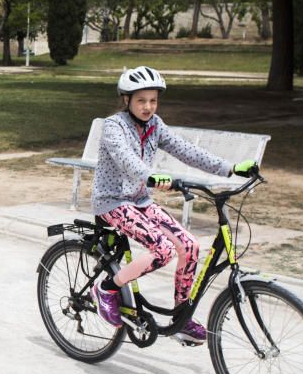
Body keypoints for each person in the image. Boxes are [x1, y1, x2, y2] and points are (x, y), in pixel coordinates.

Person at [90, 66, 256, 345]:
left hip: (140, 201)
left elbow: (186, 151)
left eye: (153, 100)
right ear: (126, 100)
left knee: (189, 245)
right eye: (141, 100)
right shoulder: (113, 126)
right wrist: (151, 176)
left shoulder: (155, 125)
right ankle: (107, 289)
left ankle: (181, 318)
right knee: (163, 250)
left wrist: (231, 169)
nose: (148, 107)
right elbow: (126, 160)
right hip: (113, 201)